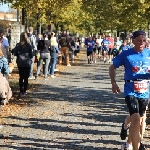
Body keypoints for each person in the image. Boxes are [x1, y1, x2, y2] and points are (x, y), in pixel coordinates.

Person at [109, 30, 149, 150]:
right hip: (130, 90)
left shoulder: (149, 53)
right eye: (139, 40)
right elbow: (112, 67)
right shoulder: (126, 54)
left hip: (145, 91)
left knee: (139, 121)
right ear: (133, 41)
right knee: (136, 120)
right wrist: (113, 83)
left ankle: (130, 142)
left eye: (144, 40)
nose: (141, 43)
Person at [14, 32, 33, 97]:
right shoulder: (29, 45)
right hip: (27, 63)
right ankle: (24, 91)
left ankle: (21, 90)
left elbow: (15, 53)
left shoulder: (18, 45)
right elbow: (31, 55)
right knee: (26, 77)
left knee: (21, 77)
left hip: (20, 62)